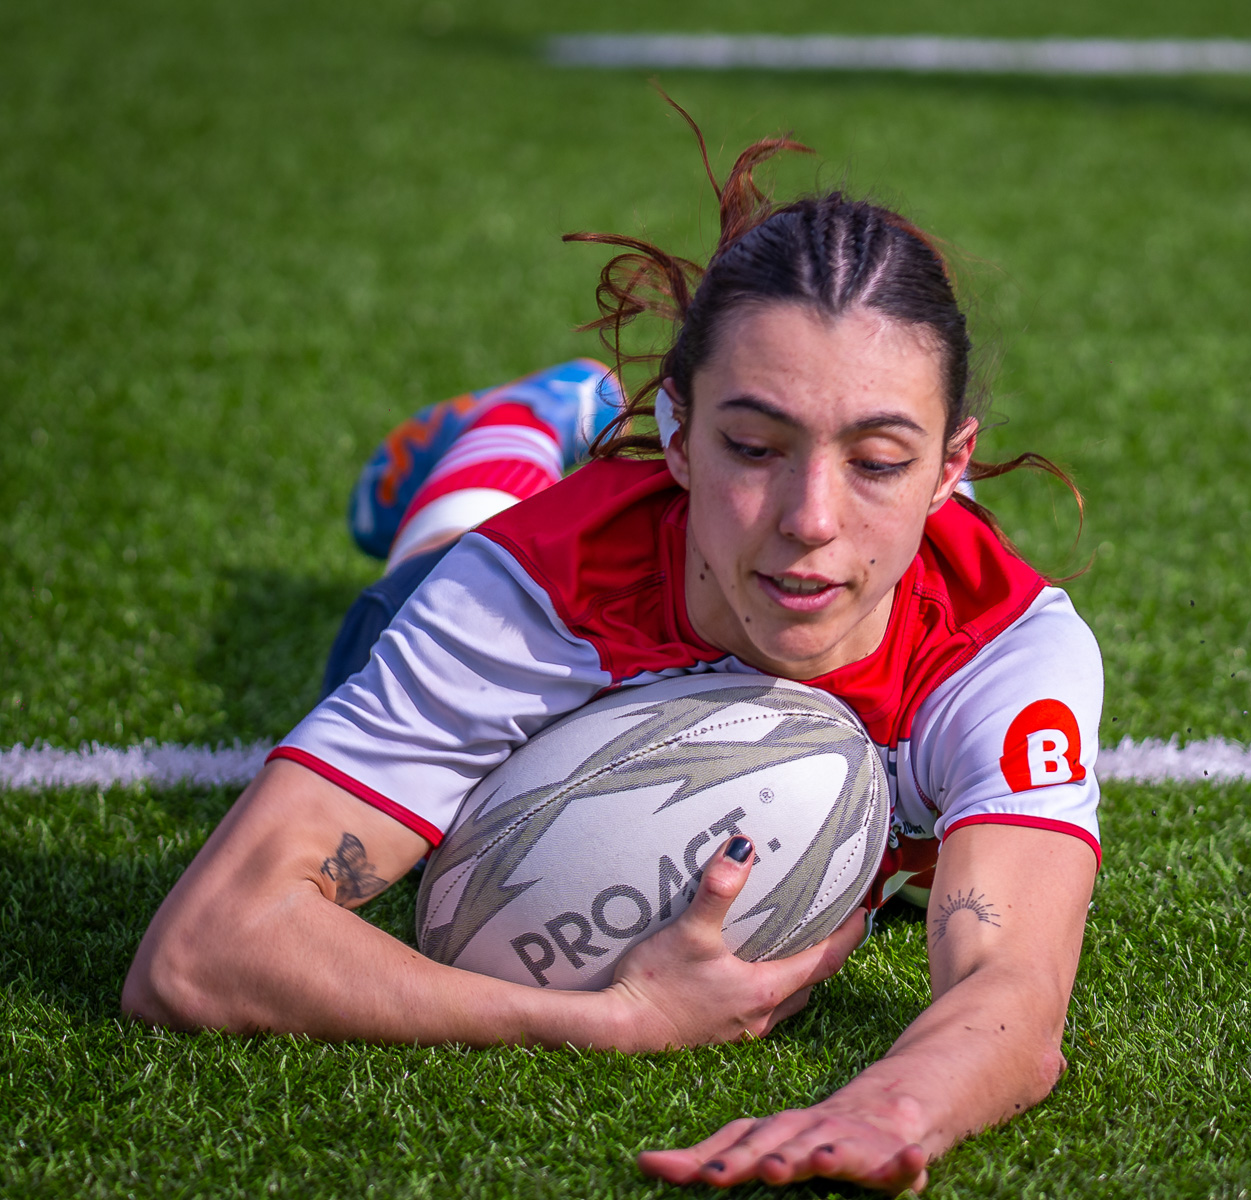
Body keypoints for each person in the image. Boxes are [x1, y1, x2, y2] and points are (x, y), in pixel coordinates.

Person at [122, 131, 1104, 1194]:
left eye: (877, 461)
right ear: (677, 433)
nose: (812, 519)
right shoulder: (533, 594)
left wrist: (887, 1112)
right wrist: (617, 1021)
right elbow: (200, 951)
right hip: (508, 568)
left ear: (950, 469)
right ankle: (528, 422)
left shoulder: (1003, 649)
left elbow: (1014, 993)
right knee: (419, 581)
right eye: (753, 447)